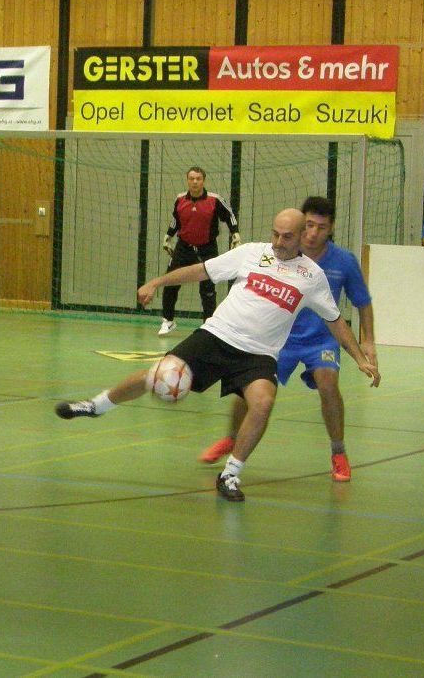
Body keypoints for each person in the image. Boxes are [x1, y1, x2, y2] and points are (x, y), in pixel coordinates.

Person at [56, 208, 379, 502]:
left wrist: (359, 356)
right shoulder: (251, 253)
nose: (279, 242)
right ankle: (96, 405)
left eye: (288, 237)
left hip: (258, 353)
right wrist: (157, 281)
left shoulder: (312, 277)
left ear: (300, 236)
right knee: (156, 374)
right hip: (217, 335)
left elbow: (335, 320)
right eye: (275, 234)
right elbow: (200, 270)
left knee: (263, 402)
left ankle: (230, 474)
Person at [199, 196, 378, 482]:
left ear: (330, 229)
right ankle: (232, 439)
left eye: (321, 227)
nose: (312, 233)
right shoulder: (277, 253)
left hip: (320, 340)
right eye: (308, 225)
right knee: (246, 392)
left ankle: (338, 452)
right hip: (277, 341)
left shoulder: (343, 261)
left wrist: (367, 342)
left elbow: (363, 302)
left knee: (328, 385)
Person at [158, 166, 240, 336]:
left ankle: (208, 325)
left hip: (207, 249)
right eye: (191, 178)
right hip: (184, 247)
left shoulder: (215, 200)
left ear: (203, 180)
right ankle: (168, 320)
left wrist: (235, 234)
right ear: (187, 180)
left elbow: (229, 215)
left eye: (198, 179)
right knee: (170, 282)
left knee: (208, 289)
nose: (195, 182)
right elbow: (175, 220)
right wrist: (168, 235)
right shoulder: (180, 199)